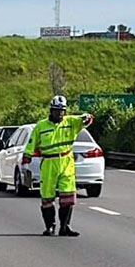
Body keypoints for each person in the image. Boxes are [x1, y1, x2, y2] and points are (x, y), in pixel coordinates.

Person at [23, 96, 92, 237]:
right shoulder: (41, 126)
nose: (60, 113)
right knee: (47, 196)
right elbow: (32, 142)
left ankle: (65, 226)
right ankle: (50, 226)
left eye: (62, 110)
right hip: (49, 162)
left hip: (66, 162)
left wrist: (87, 117)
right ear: (51, 110)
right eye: (57, 110)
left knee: (67, 196)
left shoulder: (71, 122)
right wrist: (27, 155)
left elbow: (87, 119)